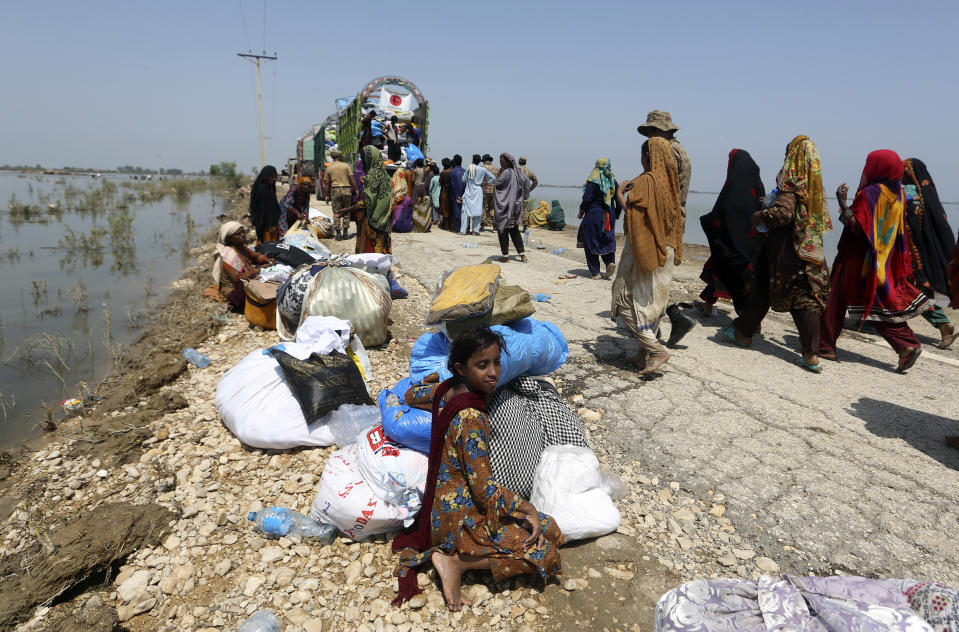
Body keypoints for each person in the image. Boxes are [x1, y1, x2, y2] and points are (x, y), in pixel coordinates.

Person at [392, 328, 564, 611]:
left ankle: (460, 558)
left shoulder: (446, 391)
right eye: (482, 365)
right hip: (461, 522)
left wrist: (428, 381)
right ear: (461, 368)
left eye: (497, 362)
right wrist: (526, 508)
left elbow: (412, 394)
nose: (493, 372)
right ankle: (456, 563)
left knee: (550, 529)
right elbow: (484, 492)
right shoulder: (471, 417)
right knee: (546, 551)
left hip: (437, 511)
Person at [723, 136, 832, 373]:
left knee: (798, 296)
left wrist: (759, 217)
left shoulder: (791, 180)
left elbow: (783, 213)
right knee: (774, 289)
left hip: (785, 250)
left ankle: (809, 353)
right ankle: (744, 332)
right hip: (808, 247)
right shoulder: (814, 185)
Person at [819, 150, 930, 372]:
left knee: (837, 300)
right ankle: (905, 343)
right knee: (872, 303)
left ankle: (825, 346)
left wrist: (843, 205)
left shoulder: (872, 193)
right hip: (881, 259)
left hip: (856, 258)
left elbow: (857, 227)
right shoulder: (896, 193)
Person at [611, 138, 683, 375]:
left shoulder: (644, 182)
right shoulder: (671, 184)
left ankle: (654, 350)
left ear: (646, 158)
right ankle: (642, 355)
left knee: (623, 298)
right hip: (667, 251)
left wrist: (620, 194)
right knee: (652, 302)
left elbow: (634, 220)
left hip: (645, 251)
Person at [638, 110, 696, 347]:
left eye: (651, 132)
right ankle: (666, 321)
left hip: (661, 219)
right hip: (676, 218)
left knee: (651, 273)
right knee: (660, 274)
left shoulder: (660, 151)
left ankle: (655, 331)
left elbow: (656, 186)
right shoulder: (681, 151)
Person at [696, 149, 765, 316]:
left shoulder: (732, 187)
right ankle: (709, 304)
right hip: (750, 245)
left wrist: (708, 222)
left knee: (730, 272)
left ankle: (746, 318)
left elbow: (719, 213)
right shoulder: (758, 187)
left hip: (732, 245)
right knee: (727, 270)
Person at [902, 158, 958, 349]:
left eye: (904, 171)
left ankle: (943, 324)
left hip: (912, 258)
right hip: (927, 257)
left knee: (912, 293)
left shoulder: (907, 194)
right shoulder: (931, 197)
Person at [211, 222, 272, 311]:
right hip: (234, 292)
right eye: (238, 234)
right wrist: (261, 269)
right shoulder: (228, 256)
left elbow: (254, 256)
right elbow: (241, 278)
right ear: (229, 238)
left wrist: (265, 259)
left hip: (247, 280)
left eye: (243, 232)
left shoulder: (240, 246)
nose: (243, 235)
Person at [577, 158, 621, 279]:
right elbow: (619, 199)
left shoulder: (593, 181)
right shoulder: (613, 181)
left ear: (596, 166)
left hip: (594, 214)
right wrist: (617, 213)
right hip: (609, 215)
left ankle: (595, 272)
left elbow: (587, 199)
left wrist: (581, 212)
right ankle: (609, 262)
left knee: (590, 240)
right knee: (606, 238)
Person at [354, 145, 393, 254]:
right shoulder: (384, 173)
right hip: (384, 218)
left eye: (364, 158)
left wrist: (349, 209)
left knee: (371, 252)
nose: (363, 163)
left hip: (372, 221)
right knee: (382, 251)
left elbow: (367, 201)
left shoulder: (372, 174)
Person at [493, 153, 531, 262]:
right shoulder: (518, 172)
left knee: (503, 230)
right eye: (500, 161)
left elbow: (498, 184)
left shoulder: (506, 173)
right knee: (514, 230)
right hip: (515, 206)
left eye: (502, 161)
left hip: (504, 207)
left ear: (508, 162)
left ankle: (505, 257)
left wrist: (495, 183)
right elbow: (527, 182)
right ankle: (522, 256)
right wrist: (523, 195)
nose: (501, 163)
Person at [324, 151, 357, 241]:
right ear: (339, 157)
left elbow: (327, 183)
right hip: (346, 189)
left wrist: (326, 195)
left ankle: (338, 234)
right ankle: (345, 233)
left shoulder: (329, 168)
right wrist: (356, 189)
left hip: (335, 190)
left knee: (337, 212)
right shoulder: (346, 166)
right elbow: (351, 178)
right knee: (347, 211)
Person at [460, 154, 494, 236]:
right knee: (477, 211)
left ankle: (463, 231)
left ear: (473, 160)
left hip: (469, 190)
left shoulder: (469, 168)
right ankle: (475, 230)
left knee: (465, 211)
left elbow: (463, 180)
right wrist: (486, 184)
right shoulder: (483, 169)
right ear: (480, 161)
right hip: (478, 190)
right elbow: (493, 177)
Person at [249, 165, 281, 244]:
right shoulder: (262, 189)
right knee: (267, 245)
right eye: (272, 177)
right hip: (265, 224)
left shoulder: (269, 187)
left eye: (275, 177)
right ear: (266, 176)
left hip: (271, 223)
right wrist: (270, 225)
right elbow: (263, 210)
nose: (273, 179)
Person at [481, 154, 500, 230]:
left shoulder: (482, 168)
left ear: (484, 161)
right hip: (494, 190)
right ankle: (494, 222)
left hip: (484, 189)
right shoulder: (497, 169)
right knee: (492, 208)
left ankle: (482, 224)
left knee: (483, 207)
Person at [518, 156, 538, 227]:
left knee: (514, 209)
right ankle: (525, 226)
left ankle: (514, 226)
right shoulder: (529, 171)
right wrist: (529, 189)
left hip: (516, 193)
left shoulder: (516, 170)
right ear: (525, 163)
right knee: (524, 210)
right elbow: (536, 181)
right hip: (525, 193)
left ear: (519, 162)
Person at [448, 155, 466, 233]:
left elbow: (452, 185)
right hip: (464, 194)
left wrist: (456, 196)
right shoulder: (465, 171)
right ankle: (464, 228)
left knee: (456, 211)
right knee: (464, 211)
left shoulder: (452, 172)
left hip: (455, 194)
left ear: (454, 161)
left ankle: (457, 228)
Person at [439, 158, 453, 230]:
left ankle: (447, 225)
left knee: (444, 208)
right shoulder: (452, 171)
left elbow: (440, 183)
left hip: (444, 191)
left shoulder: (443, 172)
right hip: (452, 192)